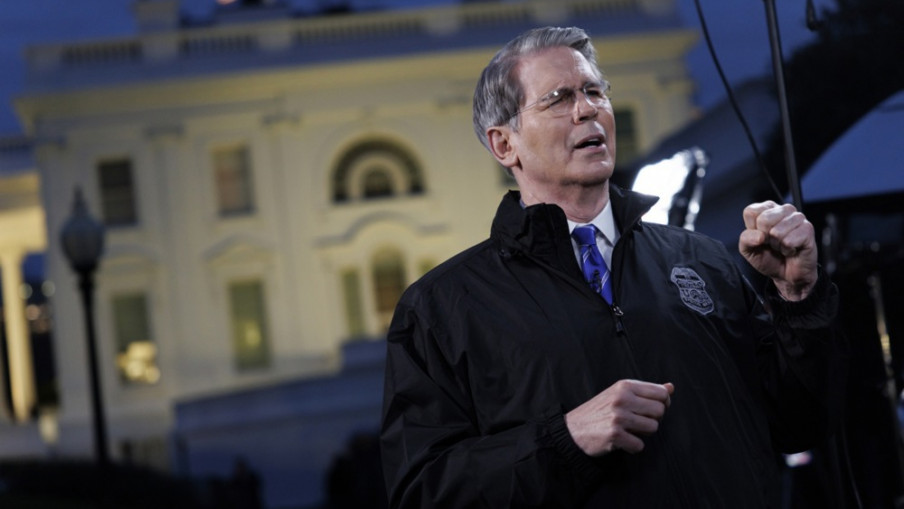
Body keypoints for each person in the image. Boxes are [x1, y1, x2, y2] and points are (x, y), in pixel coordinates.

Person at [380, 26, 846, 508]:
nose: (587, 109)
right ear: (504, 145)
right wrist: (564, 439)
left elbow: (801, 424)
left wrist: (799, 298)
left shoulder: (705, 261)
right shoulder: (441, 307)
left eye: (594, 91)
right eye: (559, 98)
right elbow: (423, 492)